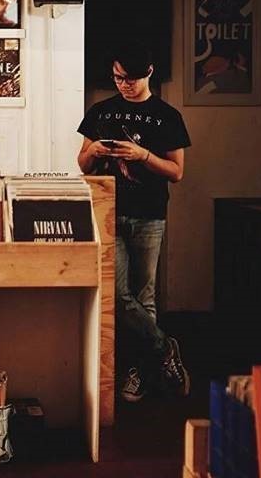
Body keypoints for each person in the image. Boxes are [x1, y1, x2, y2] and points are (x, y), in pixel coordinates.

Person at [77, 46, 191, 402]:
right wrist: (93, 152)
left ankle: (139, 370)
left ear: (149, 73)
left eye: (131, 78)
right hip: (108, 212)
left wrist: (143, 156)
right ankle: (164, 348)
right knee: (119, 294)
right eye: (117, 77)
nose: (124, 85)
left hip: (150, 213)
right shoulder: (101, 111)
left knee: (145, 296)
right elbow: (82, 165)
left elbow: (177, 172)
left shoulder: (167, 116)